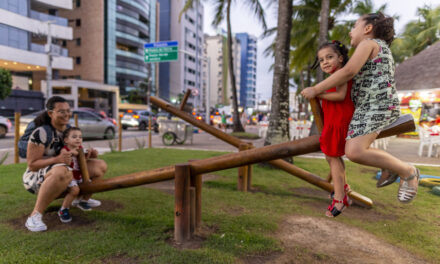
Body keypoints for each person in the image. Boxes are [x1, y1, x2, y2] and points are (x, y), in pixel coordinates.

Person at [301, 12, 419, 203]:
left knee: (354, 151)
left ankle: (408, 171)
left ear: (368, 29)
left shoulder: (368, 43)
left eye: (354, 26)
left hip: (377, 106)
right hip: (368, 108)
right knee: (352, 148)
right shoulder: (380, 48)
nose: (350, 32)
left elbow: (348, 72)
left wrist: (316, 89)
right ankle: (389, 167)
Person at [23, 96, 107, 232]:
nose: (67, 114)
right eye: (61, 111)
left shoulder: (68, 131)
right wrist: (57, 160)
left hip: (66, 171)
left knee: (100, 165)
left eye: (68, 110)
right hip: (36, 178)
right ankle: (34, 216)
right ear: (50, 113)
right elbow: (32, 165)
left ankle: (80, 199)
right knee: (63, 171)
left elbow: (74, 158)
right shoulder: (41, 133)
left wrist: (88, 155)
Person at [312, 40, 354, 217]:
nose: (325, 62)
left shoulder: (341, 74)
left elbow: (341, 95)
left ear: (341, 58)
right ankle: (343, 188)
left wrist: (317, 92)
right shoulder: (333, 76)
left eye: (329, 57)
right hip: (333, 121)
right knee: (331, 157)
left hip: (339, 120)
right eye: (322, 60)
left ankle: (340, 198)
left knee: (333, 157)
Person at [57, 127, 92, 223]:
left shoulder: (80, 148)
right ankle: (63, 209)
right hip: (69, 175)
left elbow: (83, 163)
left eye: (80, 137)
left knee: (91, 186)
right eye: (74, 137)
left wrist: (87, 155)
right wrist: (70, 153)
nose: (78, 139)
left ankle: (83, 202)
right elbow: (64, 163)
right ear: (66, 140)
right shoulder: (65, 150)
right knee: (74, 190)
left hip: (79, 175)